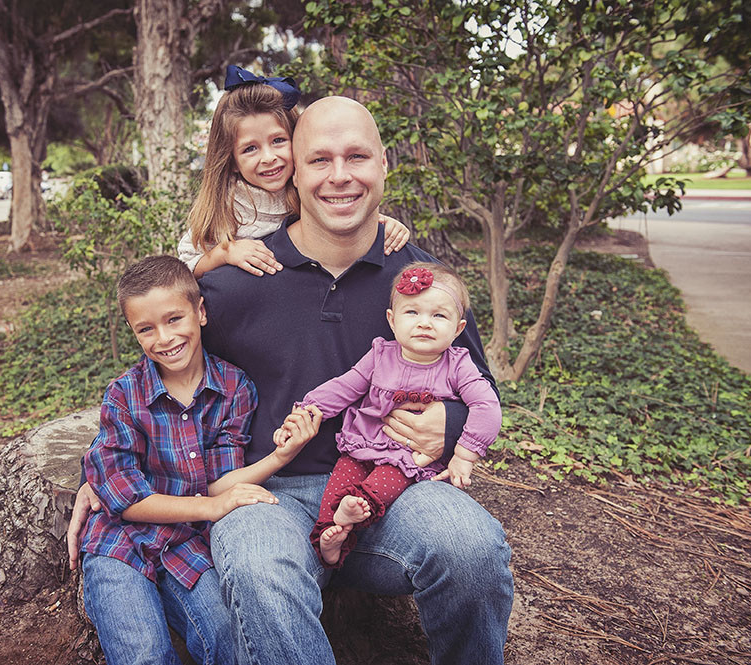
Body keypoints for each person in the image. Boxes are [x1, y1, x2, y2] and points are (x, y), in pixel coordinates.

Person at [70, 96, 514, 665]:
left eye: (357, 157)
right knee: (257, 567)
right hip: (266, 496)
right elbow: (162, 357)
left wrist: (450, 423)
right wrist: (104, 464)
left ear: (384, 165)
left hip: (393, 486)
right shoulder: (239, 282)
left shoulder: (423, 286)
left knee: (472, 547)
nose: (340, 176)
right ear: (294, 176)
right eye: (320, 160)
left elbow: (484, 395)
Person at [79, 255, 317, 665]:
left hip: (186, 544)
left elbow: (223, 480)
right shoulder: (123, 395)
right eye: (146, 329)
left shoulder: (233, 388)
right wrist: (209, 507)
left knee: (228, 639)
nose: (164, 338)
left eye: (174, 319)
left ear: (200, 311)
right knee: (145, 654)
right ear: (134, 333)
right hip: (119, 541)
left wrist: (283, 455)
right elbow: (125, 498)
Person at [273, 262, 502, 568]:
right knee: (340, 480)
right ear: (392, 321)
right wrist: (308, 409)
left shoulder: (458, 366)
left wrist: (465, 454)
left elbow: (487, 406)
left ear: (459, 328)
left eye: (439, 315)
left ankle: (357, 508)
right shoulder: (382, 354)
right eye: (413, 312)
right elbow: (345, 387)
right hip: (362, 445)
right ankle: (330, 533)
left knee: (386, 481)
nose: (424, 323)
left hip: (408, 458)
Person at [177, 65, 410, 277]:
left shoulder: (309, 190)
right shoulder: (227, 207)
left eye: (278, 141)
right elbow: (187, 264)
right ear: (232, 161)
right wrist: (224, 253)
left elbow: (346, 213)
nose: (268, 158)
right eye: (250, 148)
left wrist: (385, 225)